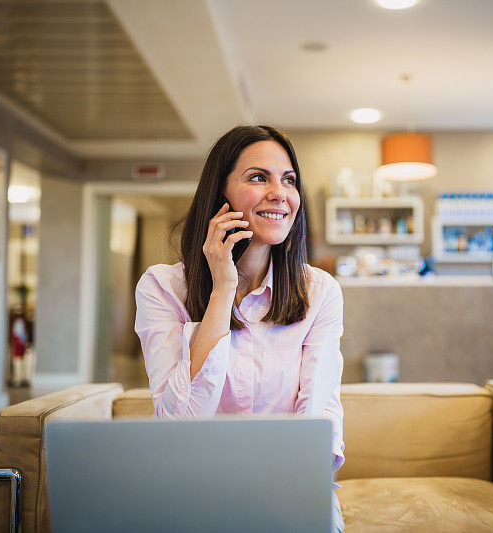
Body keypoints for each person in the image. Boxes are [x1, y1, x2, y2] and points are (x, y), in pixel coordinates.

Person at [133, 125, 345, 532]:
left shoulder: (320, 292)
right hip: (197, 489)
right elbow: (178, 427)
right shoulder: (162, 287)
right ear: (220, 195)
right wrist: (222, 288)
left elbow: (318, 413)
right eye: (257, 177)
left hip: (289, 485)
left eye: (288, 180)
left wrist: (291, 485)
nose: (279, 193)